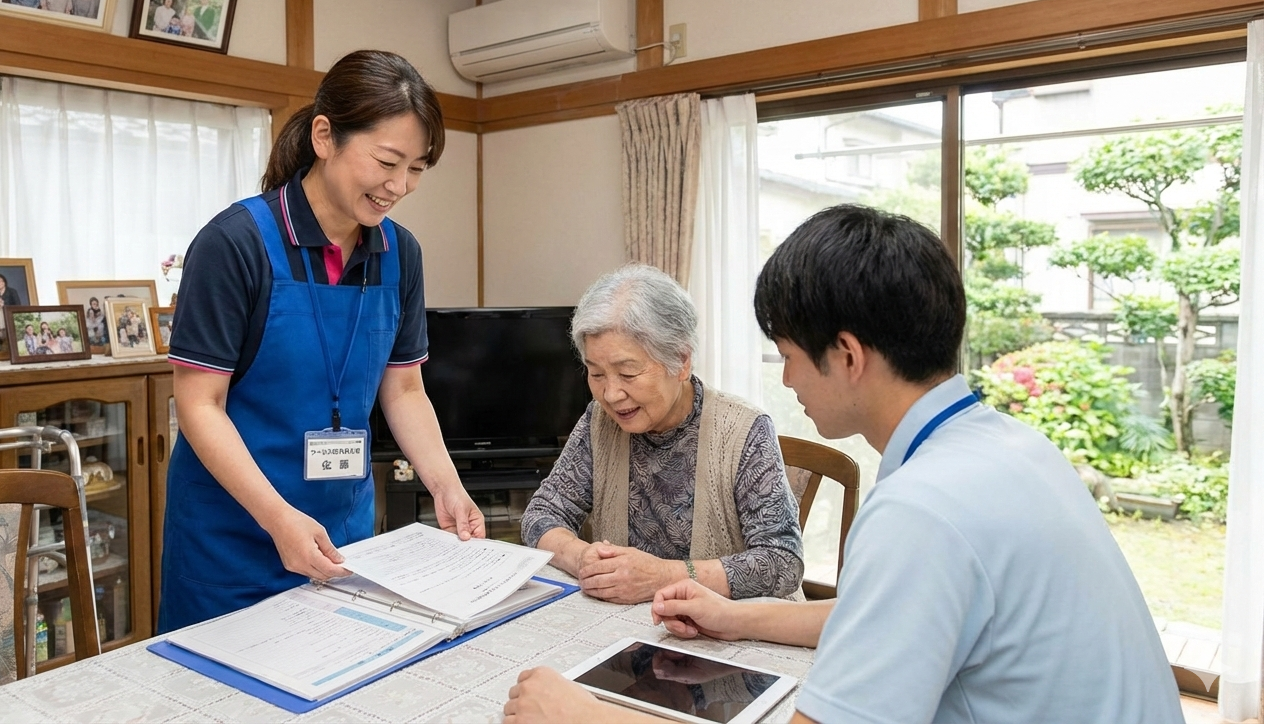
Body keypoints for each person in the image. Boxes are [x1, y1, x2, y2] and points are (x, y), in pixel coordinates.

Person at [503, 204, 1185, 724]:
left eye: (790, 356)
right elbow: (877, 616)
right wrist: (736, 617)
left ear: (849, 356)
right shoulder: (1006, 447)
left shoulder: (922, 510)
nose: (789, 379)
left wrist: (591, 717)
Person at [158, 50, 485, 633]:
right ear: (325, 136)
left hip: (342, 538)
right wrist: (278, 518)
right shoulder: (235, 244)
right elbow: (198, 404)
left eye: (415, 169)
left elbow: (405, 389)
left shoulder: (399, 253)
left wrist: (447, 484)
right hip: (231, 540)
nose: (398, 187)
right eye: (386, 161)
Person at [522, 264, 803, 604]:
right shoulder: (600, 421)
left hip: (723, 637)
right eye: (596, 374)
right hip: (631, 630)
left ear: (681, 361)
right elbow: (542, 514)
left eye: (627, 373)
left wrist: (663, 577)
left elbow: (782, 562)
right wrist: (582, 558)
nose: (611, 394)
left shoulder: (744, 430)